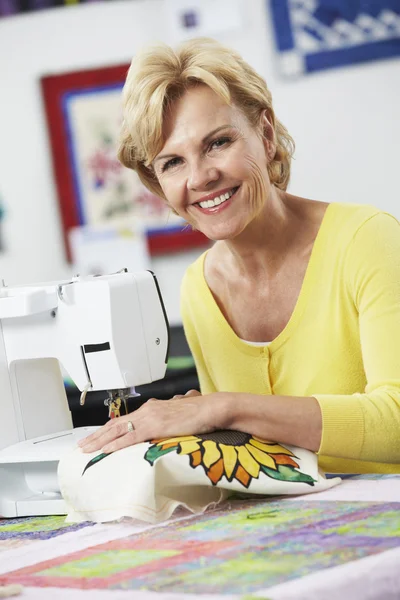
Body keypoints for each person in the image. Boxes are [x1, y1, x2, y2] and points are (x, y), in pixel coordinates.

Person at [79, 37, 400, 474]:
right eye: (172, 163)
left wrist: (221, 409)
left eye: (218, 143)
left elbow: (396, 421)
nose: (201, 177)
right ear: (158, 186)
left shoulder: (367, 239)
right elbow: (245, 457)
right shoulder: (200, 288)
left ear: (265, 135)